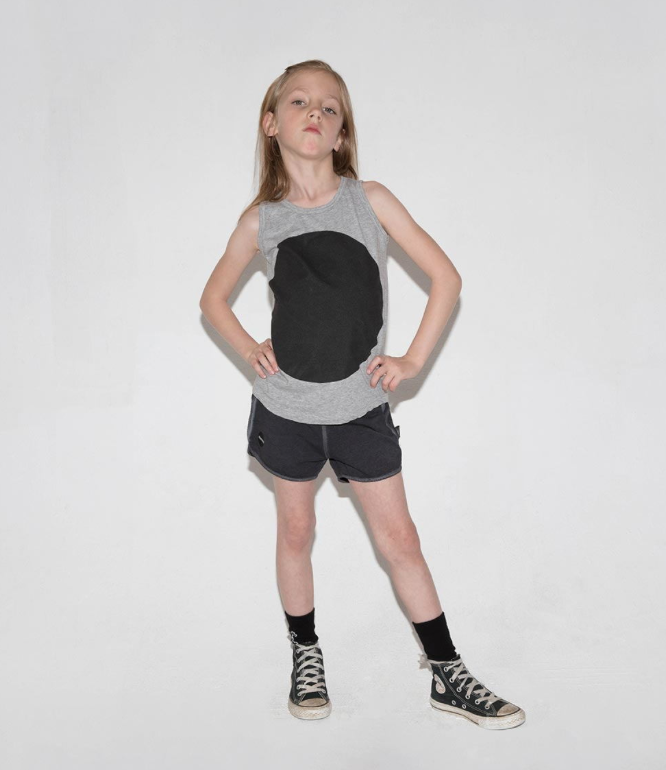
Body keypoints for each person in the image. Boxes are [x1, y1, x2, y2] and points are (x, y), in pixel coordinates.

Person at [199, 59, 525, 730]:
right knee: (296, 530)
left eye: (330, 107)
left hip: (359, 408)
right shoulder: (262, 220)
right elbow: (212, 299)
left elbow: (446, 278)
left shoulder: (369, 200)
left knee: (400, 538)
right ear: (271, 124)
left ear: (342, 133)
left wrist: (412, 360)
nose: (315, 113)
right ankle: (306, 653)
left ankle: (447, 672)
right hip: (287, 409)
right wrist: (249, 347)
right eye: (299, 102)